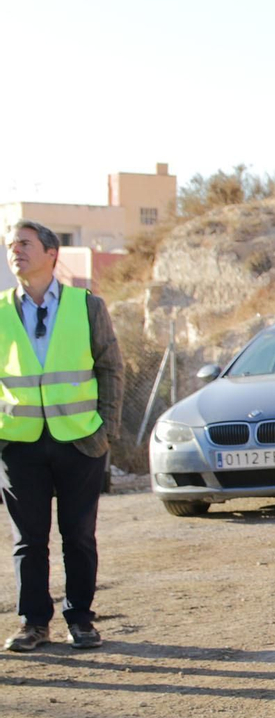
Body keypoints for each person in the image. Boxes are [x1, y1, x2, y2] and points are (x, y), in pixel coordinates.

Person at [1, 220, 124, 652]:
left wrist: (106, 431)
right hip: (19, 444)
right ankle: (33, 624)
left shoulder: (86, 306)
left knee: (78, 536)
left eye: (25, 243)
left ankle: (81, 620)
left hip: (79, 441)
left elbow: (111, 368)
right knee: (29, 541)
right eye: (11, 244)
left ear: (52, 253)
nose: (15, 250)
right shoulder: (0, 310)